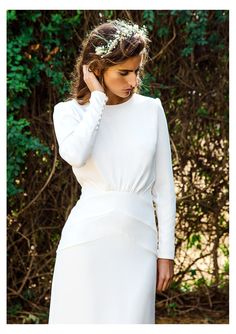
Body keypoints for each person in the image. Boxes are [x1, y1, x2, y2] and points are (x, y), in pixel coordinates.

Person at [48, 18, 176, 324]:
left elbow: (164, 188)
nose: (132, 82)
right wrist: (98, 101)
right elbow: (76, 155)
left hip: (140, 244)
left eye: (136, 71)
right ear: (95, 69)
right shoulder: (67, 113)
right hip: (85, 243)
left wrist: (166, 252)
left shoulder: (151, 110)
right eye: (123, 72)